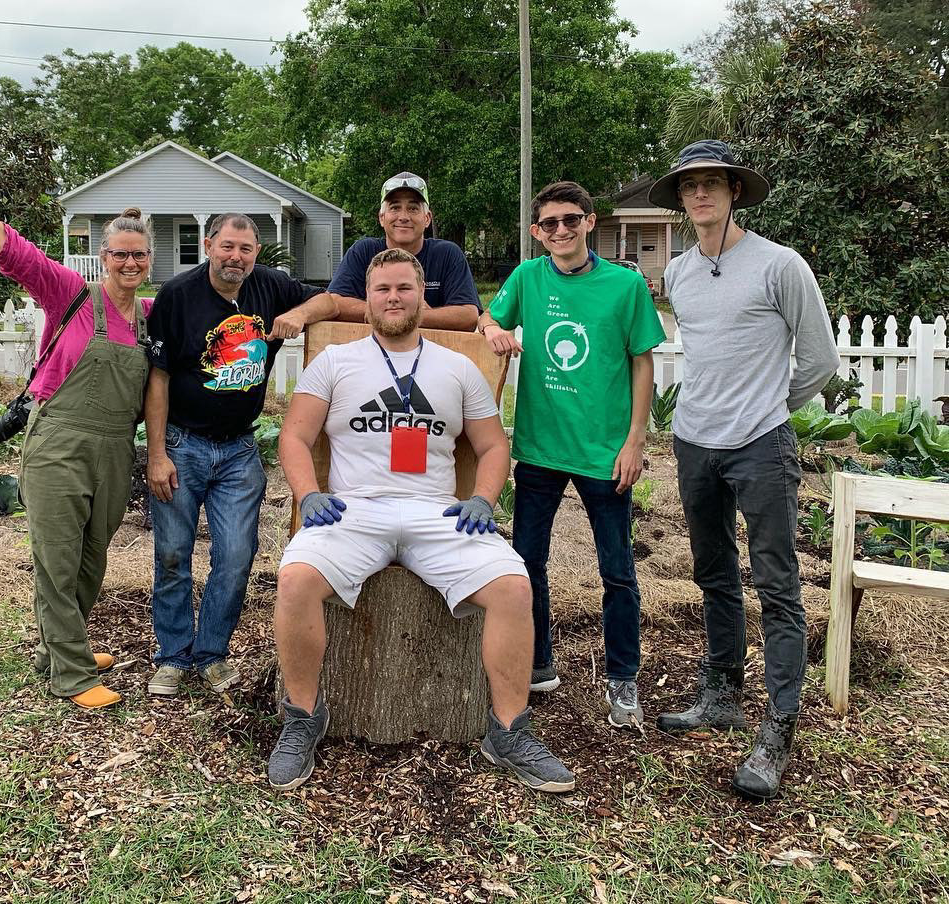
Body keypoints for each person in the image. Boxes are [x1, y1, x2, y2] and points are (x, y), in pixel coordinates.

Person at [268, 247, 574, 794]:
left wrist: (483, 497)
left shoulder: (457, 368)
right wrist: (307, 493)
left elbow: (493, 445)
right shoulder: (335, 363)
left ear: (421, 295)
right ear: (366, 300)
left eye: (404, 288)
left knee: (511, 584)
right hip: (353, 508)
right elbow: (294, 435)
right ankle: (303, 718)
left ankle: (508, 730)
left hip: (437, 512)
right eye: (382, 289)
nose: (393, 298)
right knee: (294, 580)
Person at [0, 154, 153, 710]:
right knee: (58, 556)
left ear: (149, 258)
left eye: (139, 253)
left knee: (93, 556)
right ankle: (70, 672)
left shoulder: (150, 317)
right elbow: (12, 247)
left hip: (114, 448)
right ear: (103, 257)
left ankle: (59, 646)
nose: (129, 262)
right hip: (59, 442)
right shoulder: (69, 294)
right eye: (119, 253)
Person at [648, 139, 839, 800]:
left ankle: (778, 728)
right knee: (714, 574)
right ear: (680, 200)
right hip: (695, 442)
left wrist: (768, 409)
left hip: (761, 444)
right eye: (689, 185)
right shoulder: (679, 274)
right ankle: (722, 692)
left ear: (734, 192)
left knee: (779, 585)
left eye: (712, 183)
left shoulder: (780, 266)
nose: (700, 194)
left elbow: (819, 361)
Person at [479, 181, 665, 729]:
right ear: (537, 233)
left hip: (605, 453)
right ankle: (537, 663)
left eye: (570, 219)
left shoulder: (625, 286)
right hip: (539, 448)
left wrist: (636, 439)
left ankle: (623, 679)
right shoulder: (527, 278)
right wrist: (492, 330)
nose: (560, 230)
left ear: (589, 221)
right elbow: (488, 319)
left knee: (617, 571)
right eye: (549, 224)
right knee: (526, 564)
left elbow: (641, 364)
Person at [144, 214, 338, 697]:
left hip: (239, 450)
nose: (236, 257)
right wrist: (155, 454)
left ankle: (211, 653)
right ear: (209, 245)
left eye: (246, 249)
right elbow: (159, 378)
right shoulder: (178, 296)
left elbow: (330, 298)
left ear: (256, 252)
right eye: (228, 246)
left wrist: (301, 314)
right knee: (172, 554)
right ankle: (171, 655)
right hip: (182, 445)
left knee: (235, 556)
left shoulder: (270, 287)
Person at [328, 172, 481, 331]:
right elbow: (334, 302)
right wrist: (406, 312)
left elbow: (468, 316)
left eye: (413, 208)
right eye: (394, 208)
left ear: (427, 218)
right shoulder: (363, 251)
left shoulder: (447, 254)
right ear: (382, 217)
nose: (403, 216)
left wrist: (404, 316)